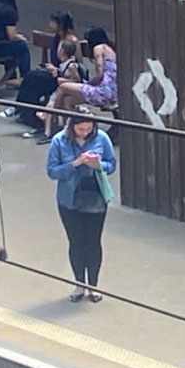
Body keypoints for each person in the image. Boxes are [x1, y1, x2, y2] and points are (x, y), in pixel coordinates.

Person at [47, 105, 117, 303]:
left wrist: (98, 165)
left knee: (93, 242)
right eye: (81, 129)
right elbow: (52, 171)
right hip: (69, 199)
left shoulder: (102, 138)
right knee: (76, 242)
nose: (85, 132)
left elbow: (111, 164)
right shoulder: (59, 141)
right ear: (72, 126)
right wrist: (75, 164)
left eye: (89, 129)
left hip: (95, 196)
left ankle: (93, 285)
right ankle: (79, 284)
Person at [6, 11, 81, 131]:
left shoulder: (71, 40)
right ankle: (23, 110)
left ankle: (23, 110)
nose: (50, 24)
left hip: (64, 77)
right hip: (54, 73)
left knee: (35, 78)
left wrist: (57, 69)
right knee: (31, 76)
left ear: (60, 24)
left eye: (53, 22)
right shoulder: (57, 38)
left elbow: (77, 63)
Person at [42, 27, 116, 142]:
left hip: (103, 91)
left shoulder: (98, 48)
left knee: (63, 87)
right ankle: (71, 129)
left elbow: (100, 74)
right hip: (113, 90)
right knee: (68, 101)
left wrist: (89, 83)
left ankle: (52, 121)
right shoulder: (110, 49)